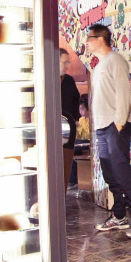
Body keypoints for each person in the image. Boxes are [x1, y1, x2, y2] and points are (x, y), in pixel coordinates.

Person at [86, 23, 131, 239]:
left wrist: (119, 123)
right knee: (109, 172)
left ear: (100, 38)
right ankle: (119, 215)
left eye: (90, 38)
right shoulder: (98, 66)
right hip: (102, 127)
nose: (87, 42)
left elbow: (123, 93)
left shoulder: (116, 61)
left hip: (115, 125)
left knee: (121, 171)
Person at [59, 48, 81, 190]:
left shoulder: (69, 80)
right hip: (49, 127)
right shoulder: (45, 79)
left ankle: (63, 188)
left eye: (68, 62)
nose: (67, 65)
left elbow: (76, 101)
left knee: (66, 157)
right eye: (65, 62)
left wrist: (76, 119)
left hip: (67, 127)